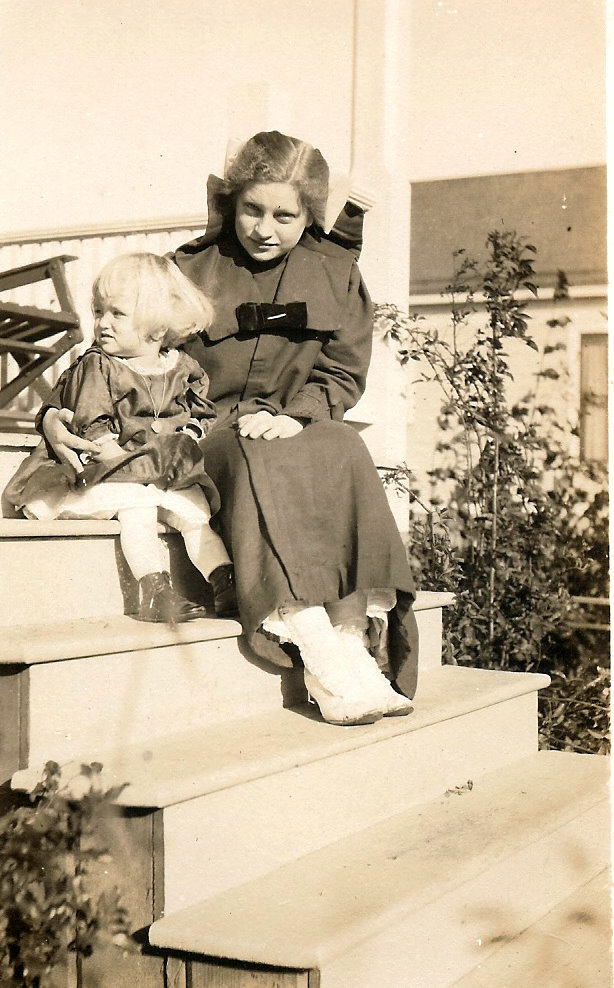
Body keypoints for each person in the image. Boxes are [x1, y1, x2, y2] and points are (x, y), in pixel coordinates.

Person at [33, 131, 419, 726]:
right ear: (231, 202)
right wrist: (52, 414)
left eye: (284, 217)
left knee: (343, 445)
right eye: (252, 210)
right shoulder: (188, 269)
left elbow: (341, 373)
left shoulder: (337, 272)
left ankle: (355, 647)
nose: (264, 229)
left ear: (309, 216)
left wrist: (295, 414)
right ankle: (319, 656)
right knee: (251, 451)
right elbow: (113, 355)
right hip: (200, 433)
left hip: (295, 424)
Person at [5, 252, 237, 623]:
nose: (103, 323)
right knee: (138, 509)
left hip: (162, 469)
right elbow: (91, 419)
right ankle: (154, 588)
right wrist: (118, 457)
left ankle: (223, 581)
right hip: (109, 466)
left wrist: (190, 434)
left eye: (117, 314)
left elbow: (201, 412)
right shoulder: (99, 364)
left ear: (157, 329)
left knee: (194, 514)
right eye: (98, 312)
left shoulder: (181, 367)